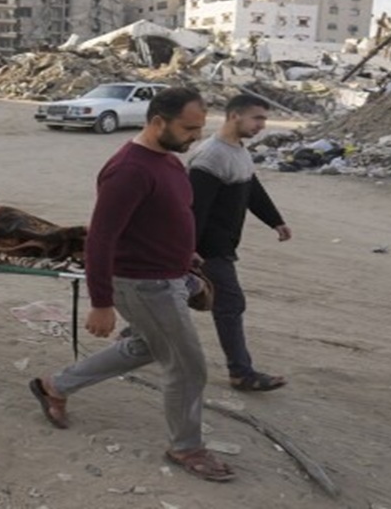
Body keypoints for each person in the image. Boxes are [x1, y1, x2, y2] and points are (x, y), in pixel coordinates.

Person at [29, 88, 236, 483]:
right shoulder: (128, 170)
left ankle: (54, 386)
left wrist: (186, 259)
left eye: (199, 128)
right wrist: (102, 303)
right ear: (158, 121)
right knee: (188, 366)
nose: (195, 137)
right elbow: (102, 239)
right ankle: (186, 446)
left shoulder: (168, 161)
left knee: (146, 347)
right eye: (189, 128)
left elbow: (166, 217)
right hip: (143, 285)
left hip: (168, 278)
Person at [187, 93, 291, 392]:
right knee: (230, 303)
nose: (262, 125)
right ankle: (241, 373)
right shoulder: (211, 156)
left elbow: (251, 188)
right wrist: (188, 249)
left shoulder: (237, 151)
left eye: (264, 119)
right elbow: (194, 208)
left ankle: (134, 334)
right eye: (257, 118)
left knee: (175, 295)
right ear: (235, 116)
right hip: (209, 249)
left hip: (220, 246)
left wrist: (276, 221)